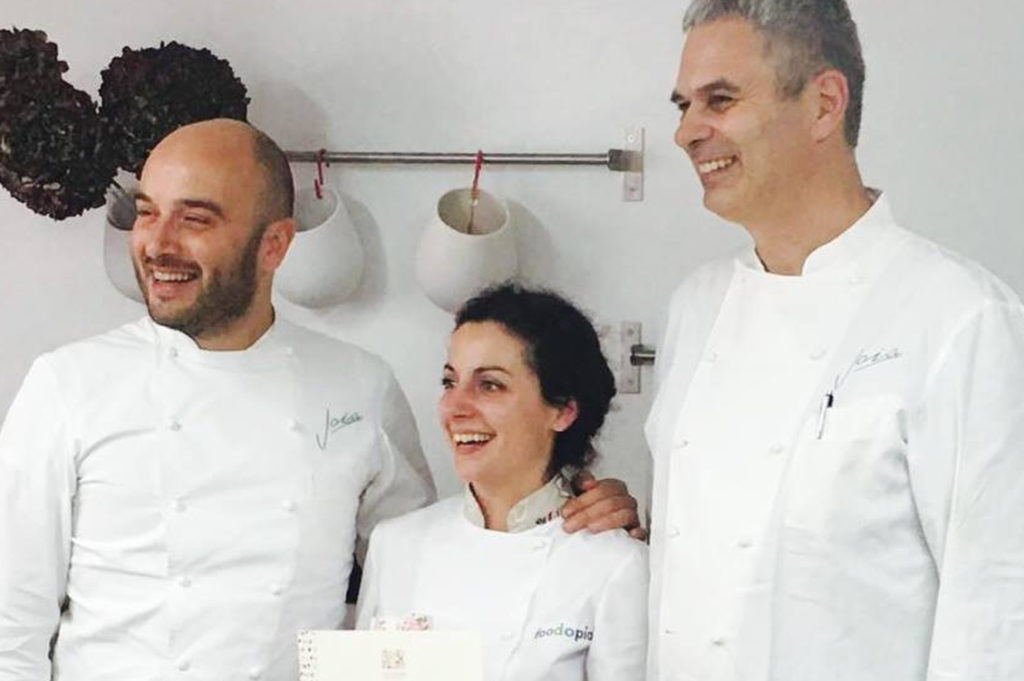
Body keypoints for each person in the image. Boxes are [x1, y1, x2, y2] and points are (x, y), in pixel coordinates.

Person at [0, 119, 641, 681]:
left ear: (275, 244)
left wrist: (575, 505)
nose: (158, 243)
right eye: (147, 212)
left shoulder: (358, 386)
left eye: (195, 219)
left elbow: (434, 571)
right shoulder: (68, 386)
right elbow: (11, 625)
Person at [646, 1, 1024, 680]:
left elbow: (996, 615)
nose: (686, 132)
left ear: (824, 105)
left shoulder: (960, 318)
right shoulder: (694, 308)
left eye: (719, 100)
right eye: (683, 105)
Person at [356, 283, 648, 681]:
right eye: (449, 382)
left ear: (563, 411)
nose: (455, 407)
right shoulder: (394, 545)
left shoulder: (614, 565)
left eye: (490, 385)